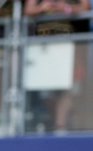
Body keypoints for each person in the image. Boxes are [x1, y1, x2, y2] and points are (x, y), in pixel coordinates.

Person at [24, 0, 90, 132]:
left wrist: (66, 9)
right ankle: (57, 123)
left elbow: (85, 7)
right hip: (45, 46)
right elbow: (27, 10)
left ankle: (60, 125)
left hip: (72, 44)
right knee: (47, 91)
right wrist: (42, 8)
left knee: (71, 88)